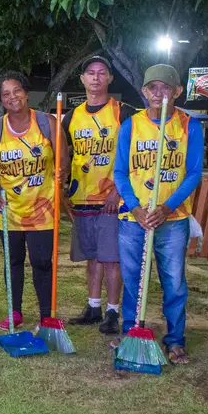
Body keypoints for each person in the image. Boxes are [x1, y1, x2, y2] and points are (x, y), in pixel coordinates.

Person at [114, 64, 203, 365]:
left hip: (173, 220)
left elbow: (192, 174)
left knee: (173, 281)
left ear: (177, 92)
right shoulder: (131, 125)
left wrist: (166, 208)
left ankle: (175, 340)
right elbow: (120, 173)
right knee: (132, 278)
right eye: (153, 87)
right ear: (144, 91)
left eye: (166, 87)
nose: (159, 93)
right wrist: (136, 208)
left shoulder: (189, 126)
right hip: (134, 219)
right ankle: (130, 333)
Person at [0, 71, 69, 330]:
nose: (13, 97)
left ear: (26, 92)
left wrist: (61, 173)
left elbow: (63, 159)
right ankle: (15, 311)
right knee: (13, 261)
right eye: (6, 94)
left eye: (17, 91)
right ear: (1, 100)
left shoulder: (47, 123)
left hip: (42, 206)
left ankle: (46, 315)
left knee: (42, 261)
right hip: (8, 206)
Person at [62, 56, 137, 335]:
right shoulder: (71, 116)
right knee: (92, 257)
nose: (95, 78)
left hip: (111, 200)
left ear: (109, 79)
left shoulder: (124, 113)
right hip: (82, 198)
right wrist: (62, 193)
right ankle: (93, 307)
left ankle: (112, 311)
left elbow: (133, 156)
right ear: (82, 79)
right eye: (90, 73)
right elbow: (64, 157)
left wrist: (118, 191)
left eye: (101, 73)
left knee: (111, 258)